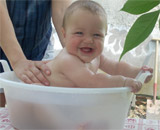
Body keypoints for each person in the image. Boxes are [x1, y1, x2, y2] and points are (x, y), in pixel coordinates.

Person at [42, 0, 153, 92]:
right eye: (79, 33)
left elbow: (116, 67)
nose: (89, 40)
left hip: (67, 104)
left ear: (105, 35)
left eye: (97, 35)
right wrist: (123, 82)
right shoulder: (67, 60)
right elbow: (93, 82)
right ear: (64, 34)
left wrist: (138, 73)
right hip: (45, 99)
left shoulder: (96, 57)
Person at [0, 0, 72, 107]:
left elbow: (62, 11)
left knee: (35, 106)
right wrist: (18, 60)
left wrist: (73, 51)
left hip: (38, 44)